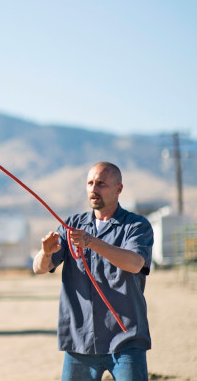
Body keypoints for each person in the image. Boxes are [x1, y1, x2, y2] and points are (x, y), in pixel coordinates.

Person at [32, 162, 153, 381]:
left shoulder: (136, 226)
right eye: (90, 183)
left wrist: (92, 243)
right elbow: (39, 268)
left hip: (126, 341)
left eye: (101, 184)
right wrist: (45, 253)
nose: (94, 189)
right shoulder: (70, 226)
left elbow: (135, 263)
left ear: (119, 189)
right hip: (80, 342)